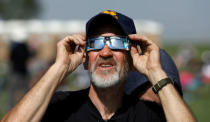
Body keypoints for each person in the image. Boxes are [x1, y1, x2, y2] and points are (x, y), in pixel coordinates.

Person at [1, 10, 195, 122]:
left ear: (131, 58)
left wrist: (155, 72)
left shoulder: (146, 114)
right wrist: (58, 68)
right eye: (95, 44)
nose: (105, 52)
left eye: (116, 43)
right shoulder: (59, 107)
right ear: (85, 59)